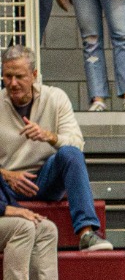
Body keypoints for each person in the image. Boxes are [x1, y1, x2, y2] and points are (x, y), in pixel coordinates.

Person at [0, 48, 108, 252]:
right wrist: (7, 175)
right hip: (7, 186)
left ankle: (87, 233)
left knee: (70, 153)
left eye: (20, 76)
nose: (13, 83)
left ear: (33, 75)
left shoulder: (55, 97)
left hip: (44, 179)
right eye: (8, 76)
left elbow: (77, 144)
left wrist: (50, 137)